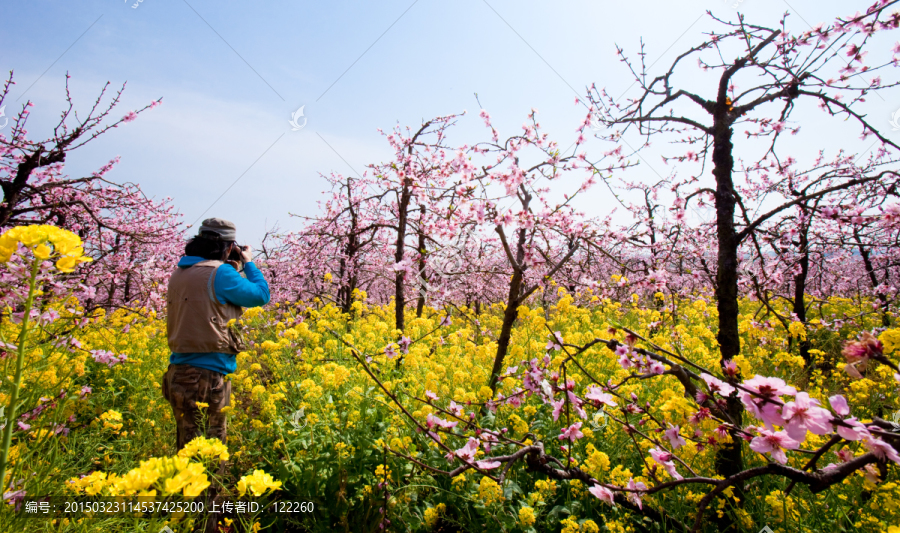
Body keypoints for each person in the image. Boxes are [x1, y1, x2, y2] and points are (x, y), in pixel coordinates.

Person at [162, 217, 270, 451]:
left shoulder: (179, 273)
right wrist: (248, 263)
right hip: (205, 377)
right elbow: (261, 294)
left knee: (188, 449)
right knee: (210, 454)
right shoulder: (220, 274)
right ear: (230, 247)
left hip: (178, 373)